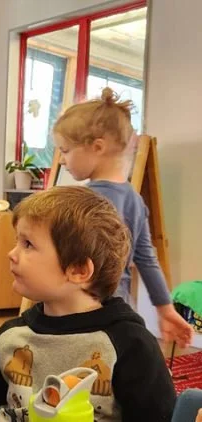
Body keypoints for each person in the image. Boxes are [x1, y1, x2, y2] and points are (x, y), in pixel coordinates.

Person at [0, 186, 176, 422]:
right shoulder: (10, 337)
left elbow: (159, 416)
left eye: (28, 244)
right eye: (17, 241)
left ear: (78, 270)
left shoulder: (130, 343)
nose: (12, 254)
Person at [50, 87, 192, 349]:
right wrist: (165, 308)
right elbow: (147, 260)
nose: (62, 161)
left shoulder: (86, 202)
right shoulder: (135, 200)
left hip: (87, 311)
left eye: (66, 150)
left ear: (97, 147)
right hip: (120, 310)